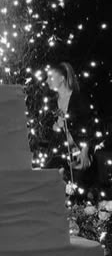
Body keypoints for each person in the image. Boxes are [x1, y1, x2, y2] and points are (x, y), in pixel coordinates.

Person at [46, 62, 101, 192]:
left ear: (62, 78)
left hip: (78, 154)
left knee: (78, 191)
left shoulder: (79, 99)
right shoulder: (51, 102)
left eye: (50, 77)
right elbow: (48, 129)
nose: (47, 80)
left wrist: (85, 150)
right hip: (59, 154)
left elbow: (91, 126)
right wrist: (54, 126)